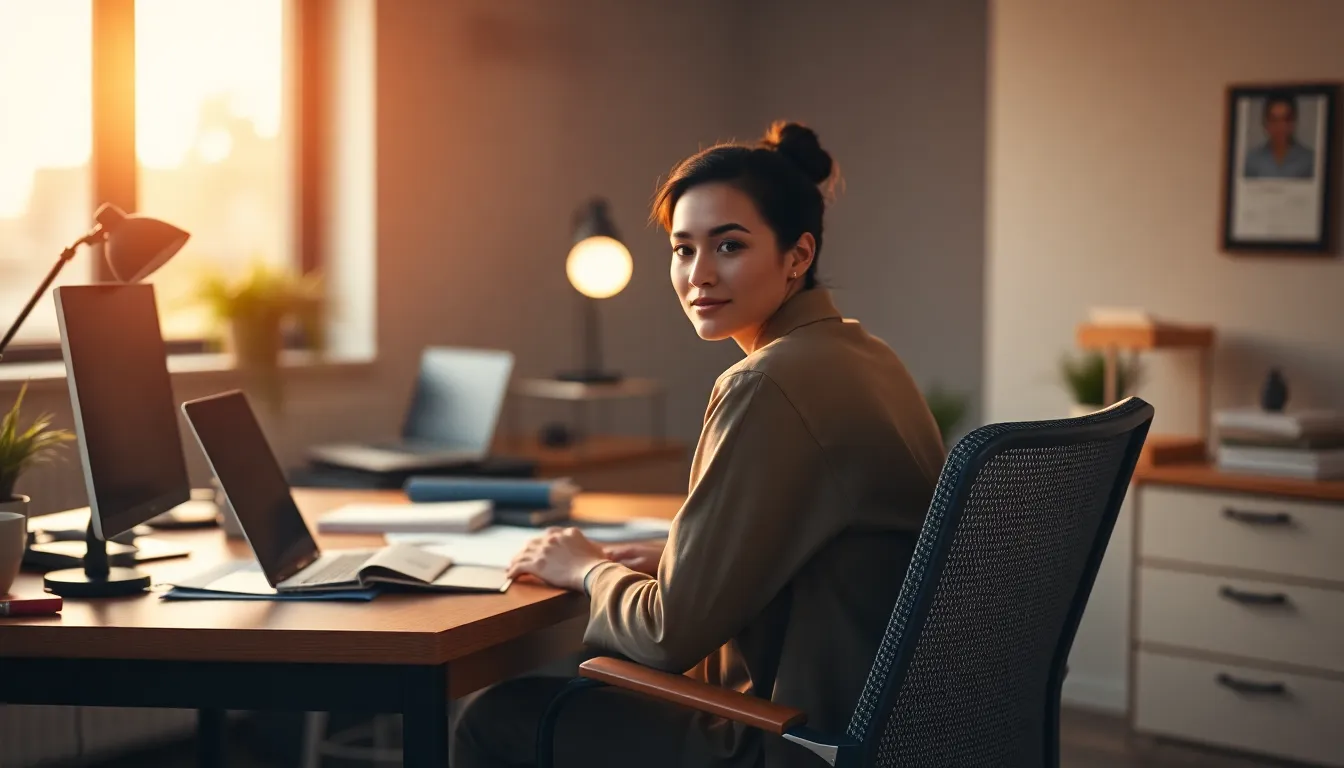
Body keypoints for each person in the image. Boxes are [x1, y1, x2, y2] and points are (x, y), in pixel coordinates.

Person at [452, 121, 947, 768]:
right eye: (683, 250)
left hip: (792, 740)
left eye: (730, 246)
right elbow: (830, 548)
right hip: (893, 727)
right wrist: (674, 558)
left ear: (797, 256)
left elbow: (665, 636)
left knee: (491, 717)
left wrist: (585, 568)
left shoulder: (766, 382)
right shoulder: (864, 356)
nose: (699, 274)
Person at [1244, 92, 1315, 179]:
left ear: (1294, 122)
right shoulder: (1252, 159)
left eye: (1286, 119)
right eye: (1274, 120)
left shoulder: (1309, 160)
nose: (1280, 126)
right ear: (1265, 123)